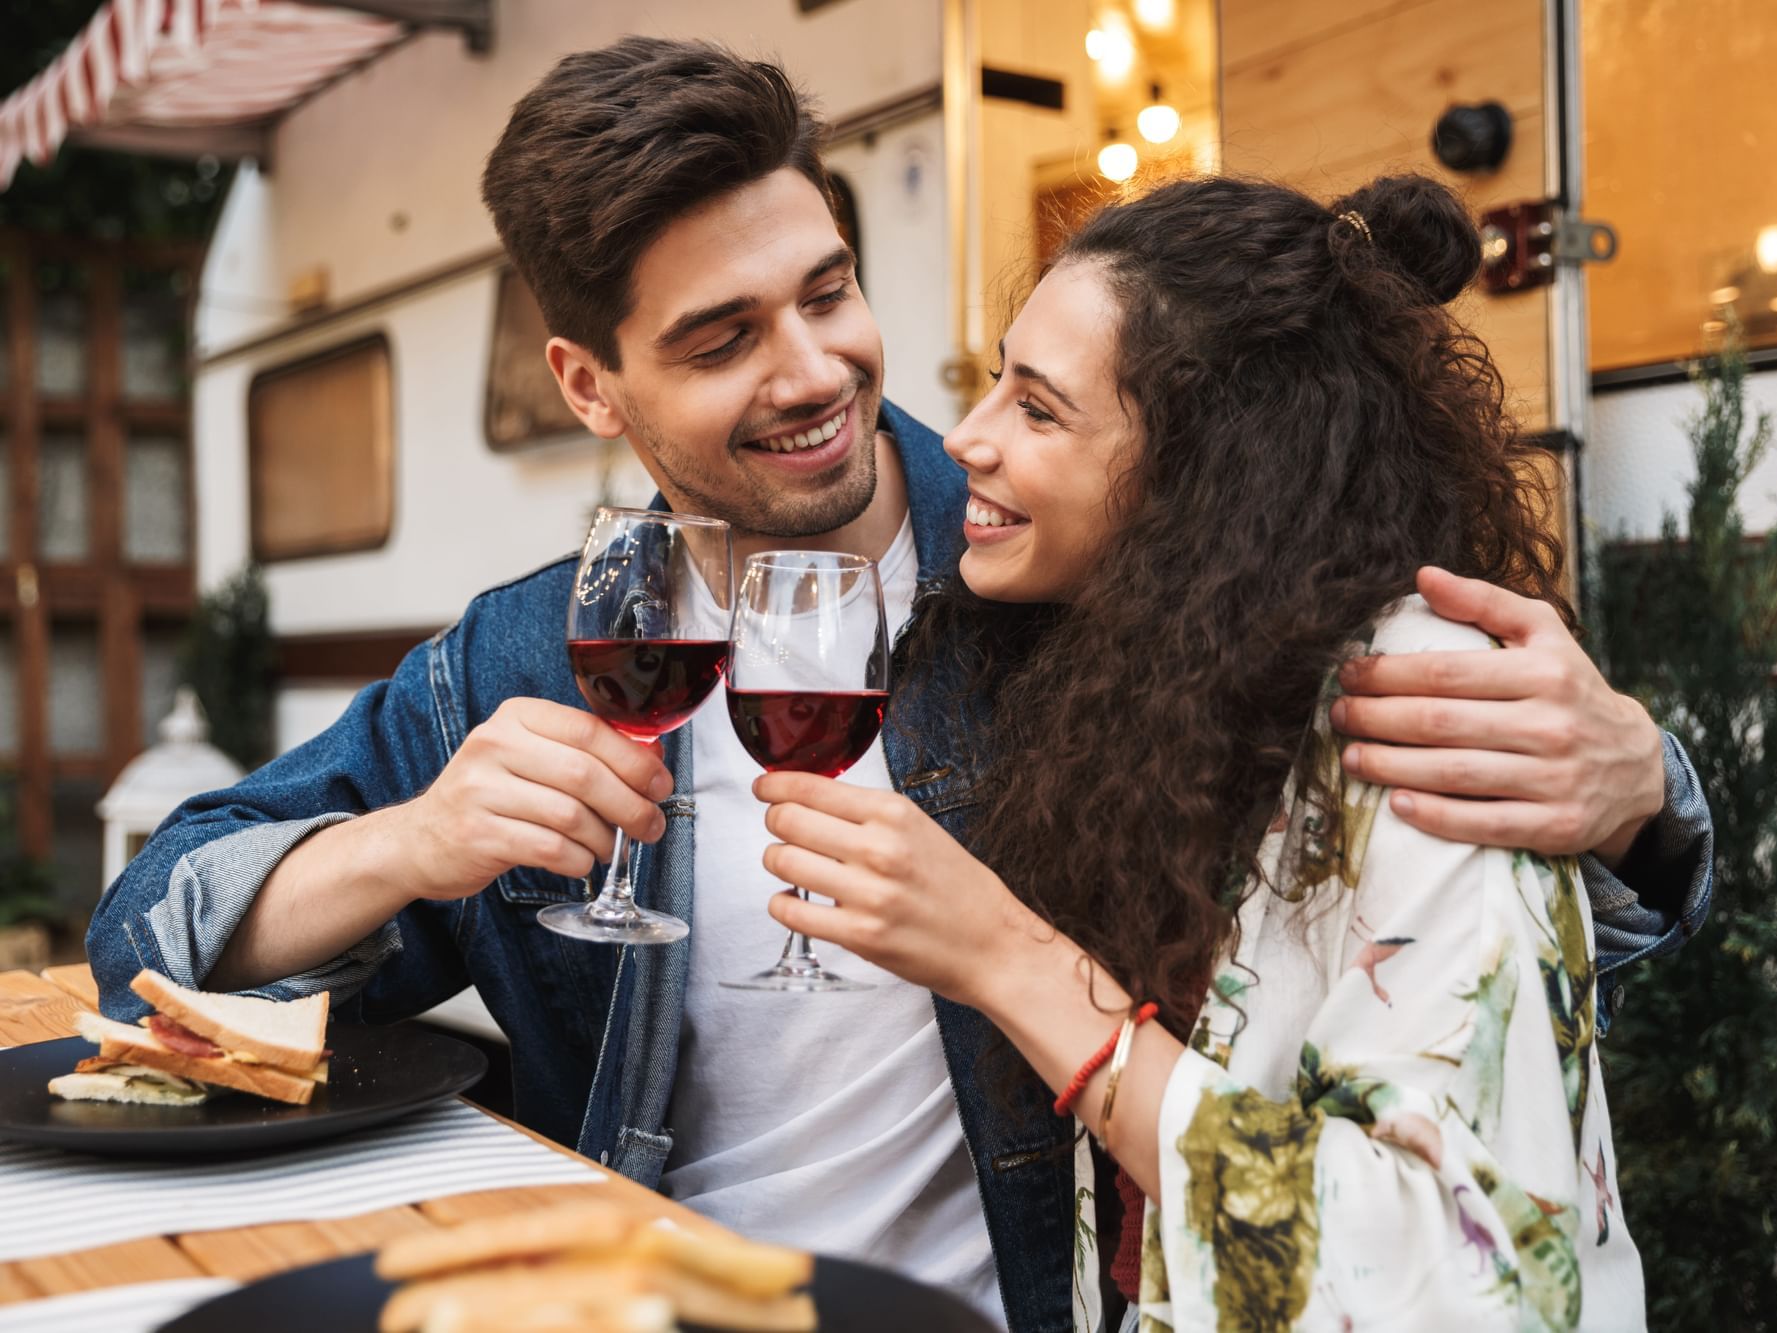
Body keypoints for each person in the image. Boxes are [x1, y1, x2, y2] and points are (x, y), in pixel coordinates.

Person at [89, 39, 1705, 1332]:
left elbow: (1448, 972)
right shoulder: (528, 657)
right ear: (591, 382)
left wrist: (1642, 792)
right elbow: (142, 943)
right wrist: (409, 842)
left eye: (828, 291)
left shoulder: (1094, 574)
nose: (811, 372)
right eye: (721, 339)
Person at [753, 174, 1648, 1328]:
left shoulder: (1422, 708)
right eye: (993, 383)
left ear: (1207, 473)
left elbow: (1465, 1276)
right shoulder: (1136, 680)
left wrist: (1005, 958)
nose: (964, 440)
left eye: (1038, 408)